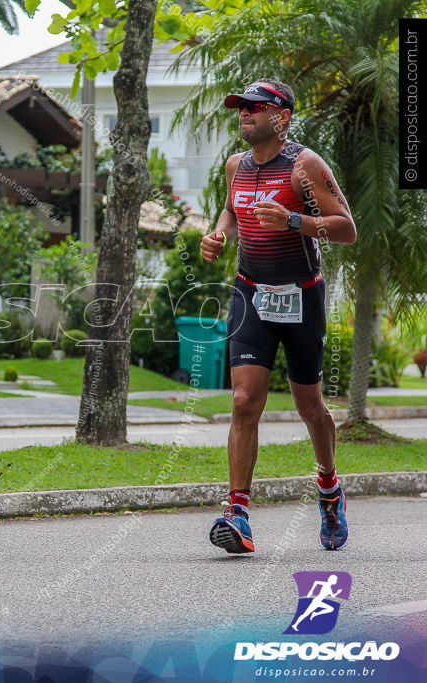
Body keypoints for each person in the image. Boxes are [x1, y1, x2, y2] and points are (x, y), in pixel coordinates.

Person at [201, 79, 356, 554]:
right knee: (245, 400)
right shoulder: (236, 166)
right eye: (240, 108)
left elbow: (346, 229)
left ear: (282, 116)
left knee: (310, 407)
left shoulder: (304, 166)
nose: (244, 114)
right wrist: (218, 233)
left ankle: (329, 489)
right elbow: (232, 208)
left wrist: (294, 221)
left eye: (254, 107)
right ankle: (239, 515)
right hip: (250, 293)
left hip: (301, 297)